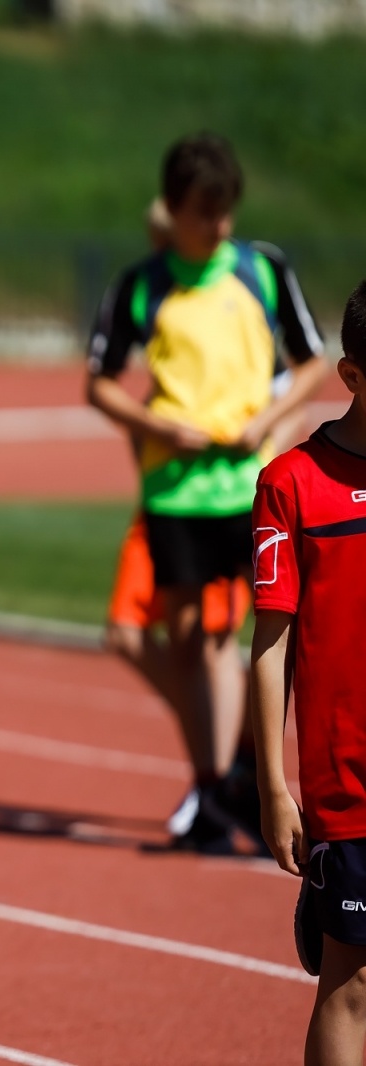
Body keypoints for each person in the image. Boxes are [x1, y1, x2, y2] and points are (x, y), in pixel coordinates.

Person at [86, 133, 327, 851]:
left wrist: (266, 420)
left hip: (251, 488)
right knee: (190, 641)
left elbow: (313, 360)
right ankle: (211, 783)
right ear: (174, 209)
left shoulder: (260, 269)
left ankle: (233, 780)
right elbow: (98, 383)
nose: (217, 225)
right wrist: (153, 420)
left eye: (226, 211)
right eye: (203, 212)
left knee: (243, 636)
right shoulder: (142, 285)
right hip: (174, 491)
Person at [253, 280, 366, 1064]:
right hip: (348, 781)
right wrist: (271, 783)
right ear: (354, 377)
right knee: (352, 983)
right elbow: (270, 645)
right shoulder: (292, 483)